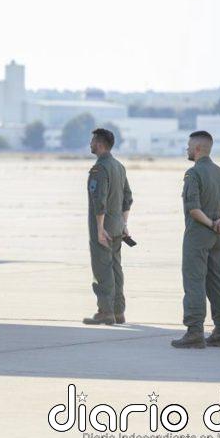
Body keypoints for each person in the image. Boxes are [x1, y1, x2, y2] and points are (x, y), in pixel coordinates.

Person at [172, 131, 220, 349]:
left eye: (189, 146)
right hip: (218, 237)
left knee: (194, 282)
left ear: (198, 149)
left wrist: (210, 223)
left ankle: (194, 332)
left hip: (199, 235)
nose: (187, 149)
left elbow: (194, 209)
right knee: (217, 282)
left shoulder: (194, 174)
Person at [83, 128, 133, 326]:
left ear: (100, 144)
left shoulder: (100, 168)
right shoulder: (119, 167)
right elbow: (127, 198)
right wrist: (124, 224)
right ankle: (118, 311)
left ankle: (105, 311)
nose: (90, 144)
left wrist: (100, 228)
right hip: (118, 226)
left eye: (93, 140)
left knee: (102, 269)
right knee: (115, 268)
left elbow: (99, 200)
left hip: (104, 228)